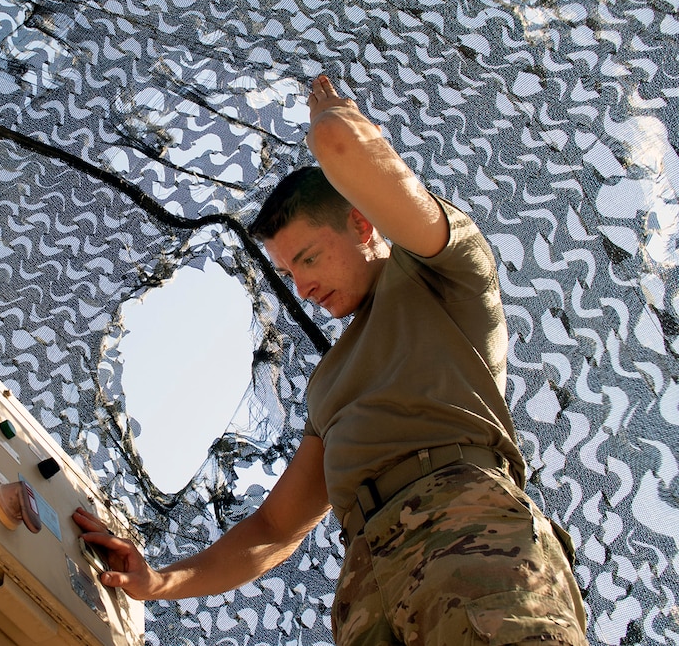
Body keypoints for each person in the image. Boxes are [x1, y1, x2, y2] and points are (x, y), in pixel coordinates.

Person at [73, 76, 589, 645]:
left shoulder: (445, 271)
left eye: (310, 258)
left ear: (362, 225)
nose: (304, 286)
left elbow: (344, 148)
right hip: (368, 584)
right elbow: (273, 529)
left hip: (465, 533)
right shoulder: (330, 382)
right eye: (290, 274)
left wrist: (334, 120)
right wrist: (160, 581)